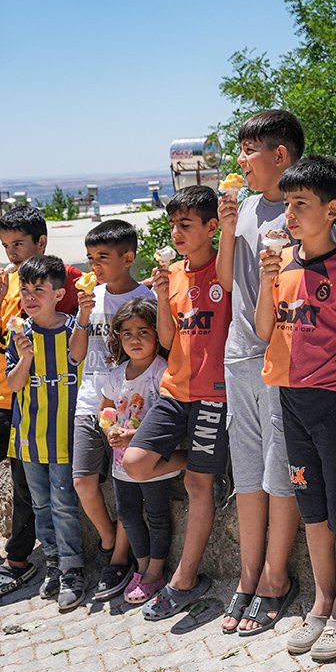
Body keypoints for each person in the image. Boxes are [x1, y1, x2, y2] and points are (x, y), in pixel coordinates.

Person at [257, 155, 336, 661]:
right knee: (311, 506)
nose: (290, 213)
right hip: (290, 400)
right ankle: (322, 601)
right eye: (287, 203)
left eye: (301, 204)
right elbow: (265, 330)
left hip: (334, 401)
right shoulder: (281, 263)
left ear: (331, 210)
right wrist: (268, 281)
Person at [0, 207, 80, 601]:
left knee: (35, 486)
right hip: (7, 391)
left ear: (41, 242)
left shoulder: (69, 278)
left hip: (47, 401)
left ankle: (24, 561)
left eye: (19, 244)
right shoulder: (7, 284)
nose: (11, 253)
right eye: (6, 245)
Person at [215, 109, 305, 635]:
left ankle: (276, 578)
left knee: (279, 472)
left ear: (281, 157)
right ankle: (247, 578)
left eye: (250, 151)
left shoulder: (298, 213)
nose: (241, 161)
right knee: (248, 472)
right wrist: (227, 229)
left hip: (282, 356)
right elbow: (227, 282)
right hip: (238, 352)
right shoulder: (245, 208)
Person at [123, 185, 231, 622]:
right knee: (133, 462)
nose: (176, 232)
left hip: (215, 395)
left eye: (185, 225)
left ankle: (184, 581)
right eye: (172, 225)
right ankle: (199, 460)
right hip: (175, 391)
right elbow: (166, 340)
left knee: (198, 487)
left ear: (211, 227)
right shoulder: (175, 276)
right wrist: (162, 294)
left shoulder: (228, 269)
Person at [6, 254, 90, 612]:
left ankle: (73, 569)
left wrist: (84, 316)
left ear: (59, 293)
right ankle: (54, 563)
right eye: (25, 290)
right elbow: (13, 383)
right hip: (29, 437)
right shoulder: (19, 333)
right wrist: (25, 356)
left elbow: (76, 357)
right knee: (40, 505)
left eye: (38, 289)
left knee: (64, 504)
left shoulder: (73, 328)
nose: (29, 297)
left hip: (65, 438)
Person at [73, 220, 151, 602]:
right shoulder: (91, 298)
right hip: (90, 402)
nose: (95, 267)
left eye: (102, 258)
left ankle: (120, 560)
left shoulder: (145, 299)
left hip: (127, 407)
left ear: (129, 258)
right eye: (90, 259)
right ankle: (108, 540)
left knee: (123, 488)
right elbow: (75, 353)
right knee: (84, 482)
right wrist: (83, 317)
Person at [98, 298, 177, 605]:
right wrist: (109, 430)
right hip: (121, 464)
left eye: (143, 331)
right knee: (128, 514)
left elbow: (168, 416)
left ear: (158, 334)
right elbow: (104, 409)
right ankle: (141, 566)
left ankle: (155, 571)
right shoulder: (116, 375)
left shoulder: (162, 372)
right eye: (127, 333)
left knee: (157, 514)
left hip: (153, 461)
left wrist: (133, 434)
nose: (135, 339)